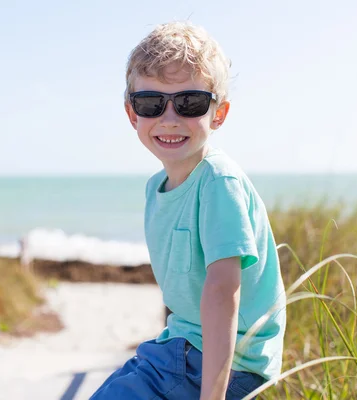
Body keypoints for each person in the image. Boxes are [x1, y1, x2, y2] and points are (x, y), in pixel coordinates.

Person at [90, 21, 287, 400]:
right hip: (180, 346)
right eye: (151, 103)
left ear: (219, 113)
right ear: (133, 114)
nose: (169, 117)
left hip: (226, 363)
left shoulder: (218, 180)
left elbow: (222, 289)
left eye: (189, 102)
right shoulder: (156, 189)